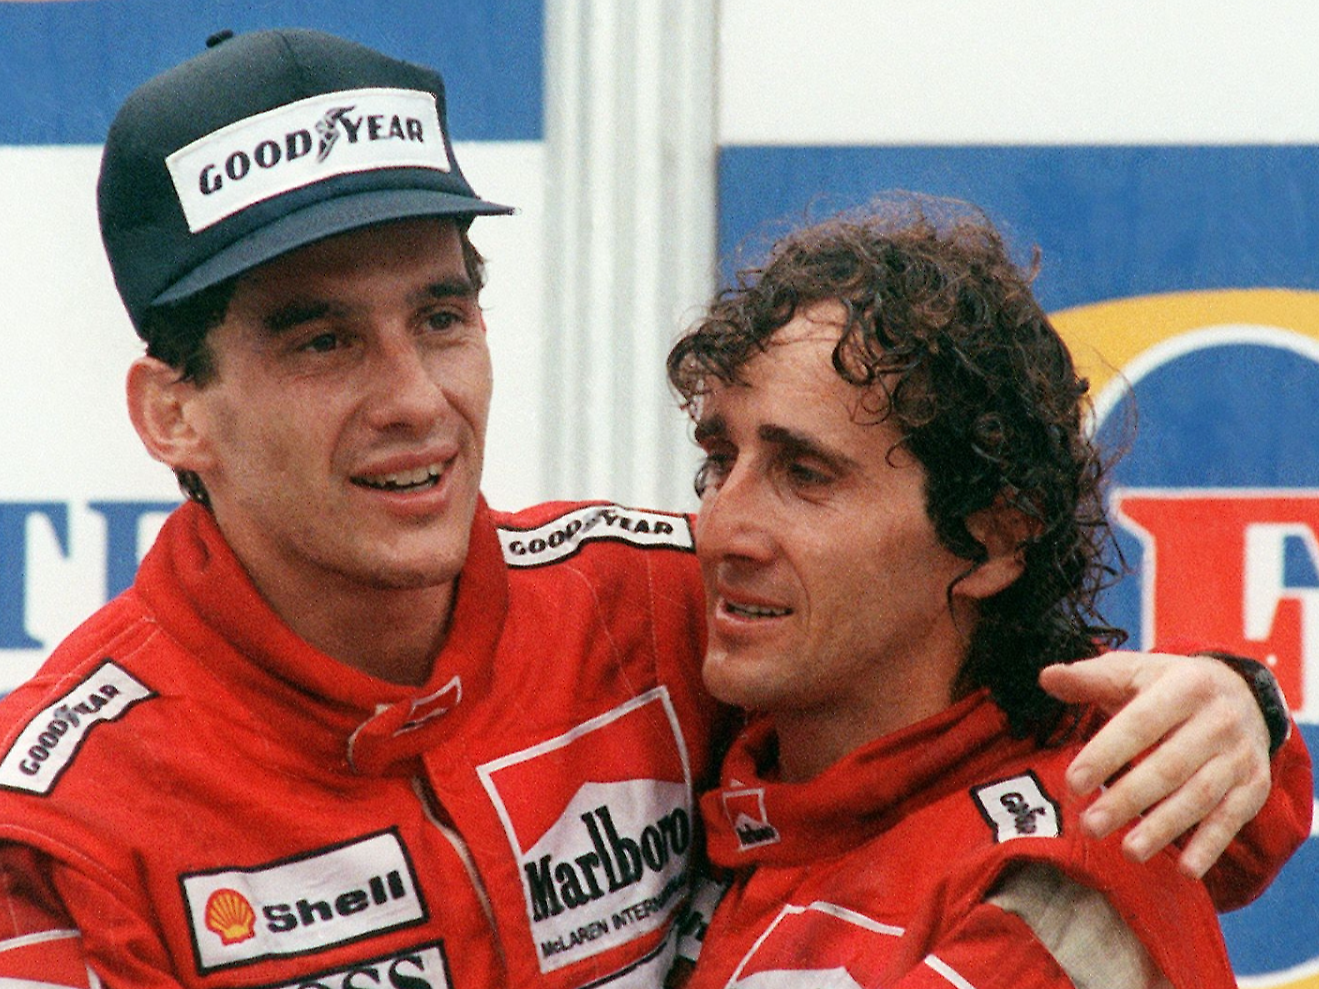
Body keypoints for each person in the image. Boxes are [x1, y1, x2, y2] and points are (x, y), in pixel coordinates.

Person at [0, 28, 1305, 989]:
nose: (414, 399)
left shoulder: (647, 606)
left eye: (441, 316)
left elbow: (980, 725)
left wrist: (1234, 708)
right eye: (321, 341)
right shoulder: (61, 826)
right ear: (173, 412)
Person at [663, 197, 1310, 988]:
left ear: (994, 539)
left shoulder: (1057, 875)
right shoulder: (701, 750)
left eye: (805, 475)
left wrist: (1245, 703)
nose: (719, 530)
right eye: (718, 461)